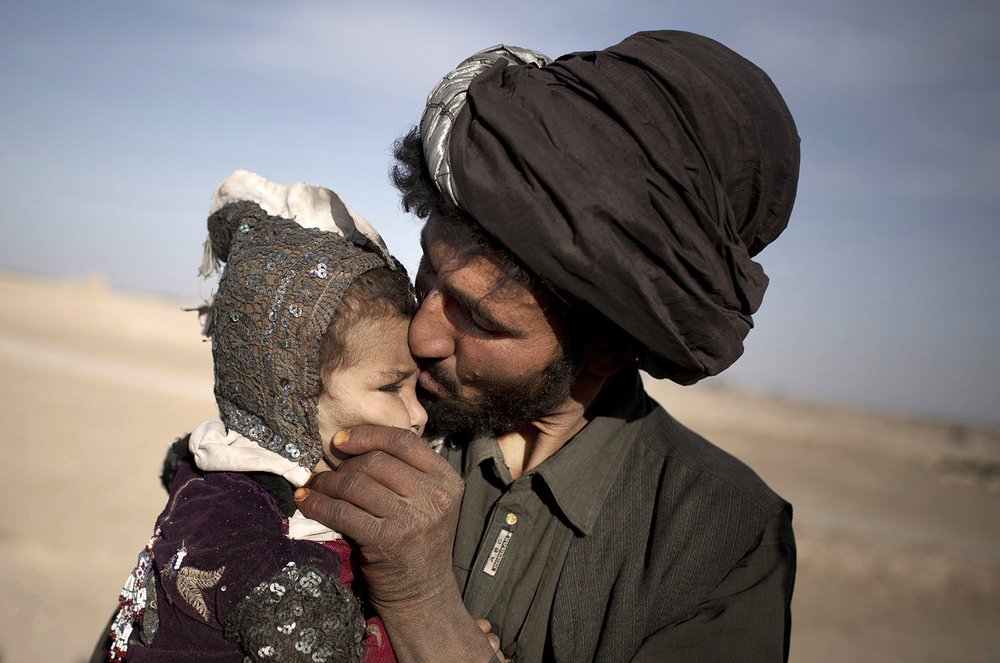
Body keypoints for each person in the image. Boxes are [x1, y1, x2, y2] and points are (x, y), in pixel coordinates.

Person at [293, 30, 801, 662]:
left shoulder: (722, 540)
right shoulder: (372, 400)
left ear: (610, 347)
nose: (420, 335)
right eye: (428, 273)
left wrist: (420, 601)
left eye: (482, 320)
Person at [101, 170, 427, 661]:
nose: (419, 415)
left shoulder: (229, 479)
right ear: (290, 392)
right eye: (390, 387)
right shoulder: (237, 527)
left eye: (416, 387)